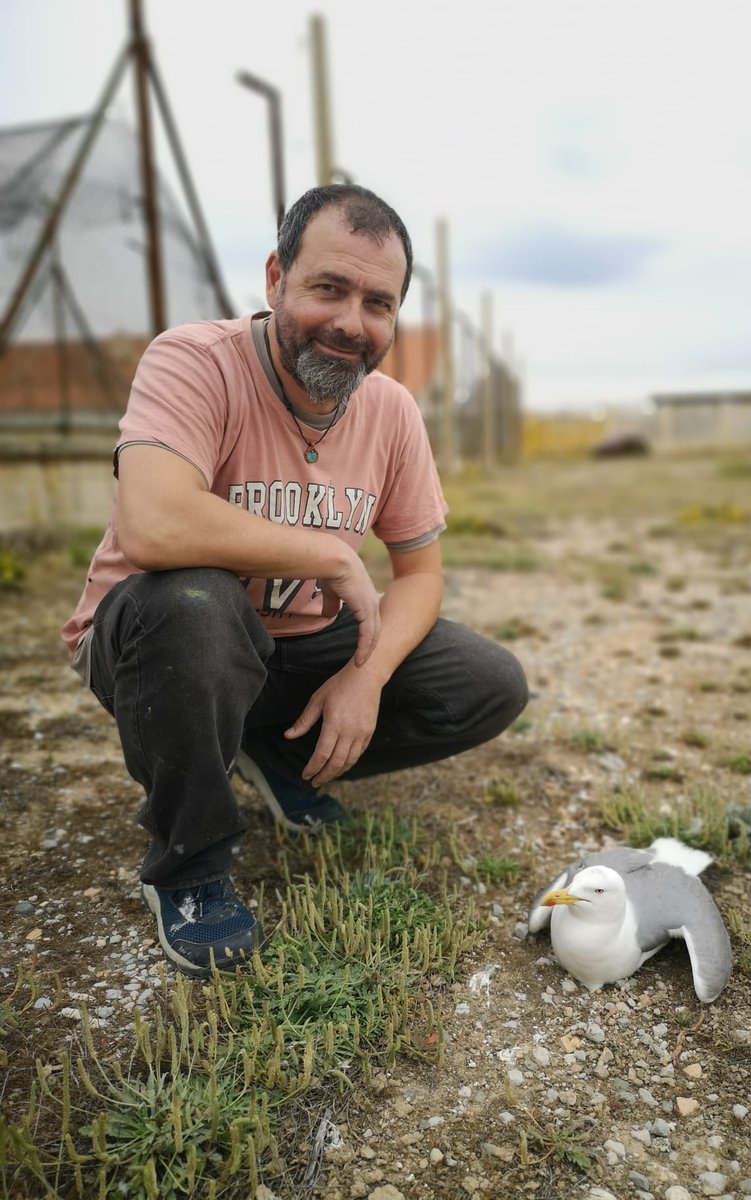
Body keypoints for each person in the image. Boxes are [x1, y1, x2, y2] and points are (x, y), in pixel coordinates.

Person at [61, 183, 528, 978]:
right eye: (329, 288)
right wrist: (330, 555)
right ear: (277, 276)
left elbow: (420, 575)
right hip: (161, 638)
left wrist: (366, 676)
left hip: (298, 648)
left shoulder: (390, 411)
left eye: (378, 302)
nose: (351, 322)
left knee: (488, 683)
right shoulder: (195, 360)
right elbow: (153, 523)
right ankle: (191, 865)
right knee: (199, 605)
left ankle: (273, 751)